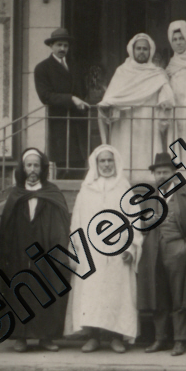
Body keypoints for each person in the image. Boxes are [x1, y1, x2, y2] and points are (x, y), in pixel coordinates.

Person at [64, 144, 141, 353]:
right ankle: (93, 337)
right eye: (102, 161)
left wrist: (131, 248)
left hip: (117, 252)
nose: (106, 165)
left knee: (117, 294)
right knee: (93, 294)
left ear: (115, 163)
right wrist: (77, 248)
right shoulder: (87, 189)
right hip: (91, 252)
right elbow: (77, 221)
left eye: (109, 160)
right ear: (95, 164)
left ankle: (116, 337)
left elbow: (134, 221)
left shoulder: (124, 188)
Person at [0, 147, 71, 352]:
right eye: (28, 165)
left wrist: (58, 250)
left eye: (36, 165)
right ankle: (20, 337)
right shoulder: (16, 194)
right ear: (22, 168)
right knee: (19, 291)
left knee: (47, 289)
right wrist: (6, 251)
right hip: (19, 252)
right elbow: (7, 226)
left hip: (46, 250)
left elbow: (61, 224)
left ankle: (46, 338)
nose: (32, 169)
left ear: (42, 168)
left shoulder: (52, 192)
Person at [137, 153, 186, 356]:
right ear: (154, 175)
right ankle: (160, 339)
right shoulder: (148, 197)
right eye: (158, 172)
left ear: (174, 174)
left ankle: (179, 340)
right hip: (154, 252)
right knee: (158, 296)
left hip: (178, 250)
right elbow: (140, 224)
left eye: (166, 172)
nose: (162, 176)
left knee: (179, 297)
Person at [97, 33, 174, 177]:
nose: (141, 52)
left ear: (150, 51)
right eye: (138, 48)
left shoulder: (157, 73)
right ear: (132, 50)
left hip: (147, 123)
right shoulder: (122, 71)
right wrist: (109, 106)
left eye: (145, 49)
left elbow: (166, 94)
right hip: (125, 124)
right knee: (126, 156)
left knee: (147, 156)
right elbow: (110, 98)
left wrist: (164, 102)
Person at [33, 27, 89, 176]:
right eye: (59, 45)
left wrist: (80, 102)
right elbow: (45, 96)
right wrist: (70, 98)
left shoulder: (75, 66)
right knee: (64, 168)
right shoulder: (42, 68)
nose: (62, 49)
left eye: (65, 45)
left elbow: (83, 91)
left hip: (78, 123)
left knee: (80, 167)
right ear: (51, 46)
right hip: (60, 124)